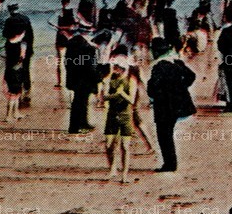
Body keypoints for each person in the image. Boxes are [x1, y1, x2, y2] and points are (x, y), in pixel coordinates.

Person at [146, 37, 196, 173]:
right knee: (168, 133)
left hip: (164, 105)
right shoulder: (176, 62)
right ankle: (170, 163)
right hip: (178, 103)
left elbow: (152, 88)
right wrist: (180, 88)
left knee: (164, 135)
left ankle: (169, 164)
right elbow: (191, 76)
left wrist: (155, 95)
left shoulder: (158, 66)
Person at [99, 51, 138, 182]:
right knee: (109, 145)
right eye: (114, 66)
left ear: (123, 68)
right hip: (112, 115)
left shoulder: (131, 80)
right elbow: (103, 97)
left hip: (125, 115)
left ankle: (125, 174)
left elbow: (131, 100)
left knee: (125, 146)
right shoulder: (109, 79)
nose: (114, 68)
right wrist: (116, 94)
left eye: (116, 66)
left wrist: (121, 94)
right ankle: (112, 168)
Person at [63, 27, 101, 132]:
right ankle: (75, 127)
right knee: (80, 103)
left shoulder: (73, 44)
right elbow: (89, 65)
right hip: (85, 78)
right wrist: (97, 78)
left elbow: (68, 63)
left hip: (75, 77)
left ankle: (82, 123)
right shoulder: (84, 47)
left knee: (80, 102)